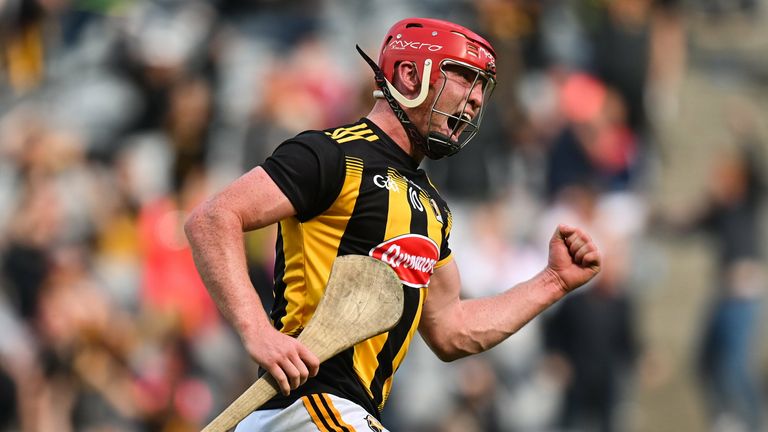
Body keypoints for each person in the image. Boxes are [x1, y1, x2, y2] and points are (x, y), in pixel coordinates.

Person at [185, 17, 601, 431]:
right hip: (309, 407)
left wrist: (553, 282)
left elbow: (452, 330)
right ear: (408, 74)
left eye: (481, 89)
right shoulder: (331, 155)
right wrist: (257, 332)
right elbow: (212, 218)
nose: (475, 100)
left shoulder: (433, 208)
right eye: (463, 78)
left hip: (345, 415)